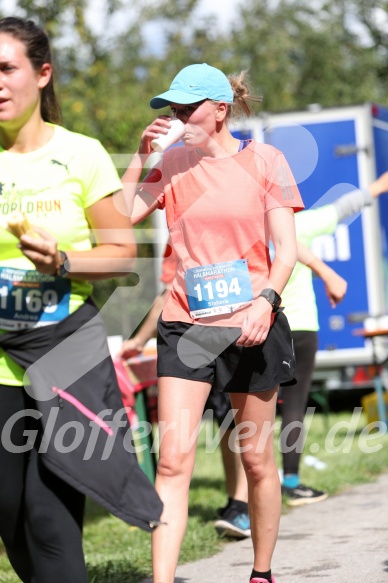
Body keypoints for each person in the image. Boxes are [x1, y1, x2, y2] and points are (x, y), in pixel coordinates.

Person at [121, 63, 305, 583]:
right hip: (185, 325)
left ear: (220, 110)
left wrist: (265, 301)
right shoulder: (174, 163)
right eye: (171, 108)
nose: (176, 117)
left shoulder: (265, 160)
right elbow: (120, 215)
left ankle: (261, 572)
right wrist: (140, 156)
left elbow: (286, 250)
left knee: (257, 462)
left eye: (187, 107)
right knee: (173, 463)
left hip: (252, 323)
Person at [0, 17, 162, 583]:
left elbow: (121, 252)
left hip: (63, 349)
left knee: (50, 514)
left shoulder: (83, 154)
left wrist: (63, 262)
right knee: (9, 512)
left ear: (42, 74)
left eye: (6, 68)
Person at [120, 244, 251, 539]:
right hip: (196, 339)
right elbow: (167, 293)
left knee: (235, 424)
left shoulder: (236, 218)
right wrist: (140, 340)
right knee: (223, 421)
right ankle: (237, 501)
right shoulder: (178, 237)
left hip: (239, 331)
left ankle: (243, 504)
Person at [279, 171, 388, 506]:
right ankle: (292, 482)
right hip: (300, 327)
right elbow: (345, 207)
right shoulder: (303, 225)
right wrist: (380, 186)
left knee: (250, 410)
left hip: (260, 324)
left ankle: (246, 490)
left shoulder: (248, 229)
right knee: (293, 407)